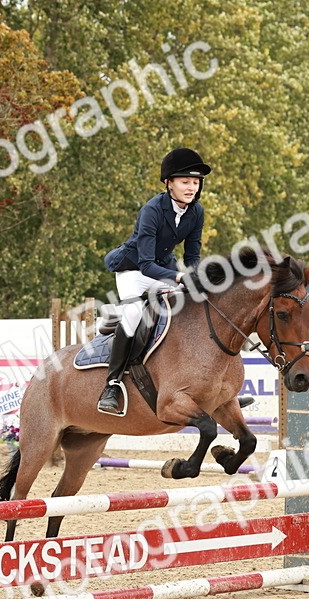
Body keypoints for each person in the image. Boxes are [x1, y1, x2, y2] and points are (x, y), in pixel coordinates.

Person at [97, 147, 210, 415]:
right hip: (134, 271)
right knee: (135, 313)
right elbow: (146, 264)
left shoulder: (196, 212)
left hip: (163, 270)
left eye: (195, 182)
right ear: (169, 183)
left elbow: (192, 255)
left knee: (191, 305)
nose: (191, 187)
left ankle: (207, 387)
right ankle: (111, 384)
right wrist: (180, 276)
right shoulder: (152, 210)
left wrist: (194, 278)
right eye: (185, 181)